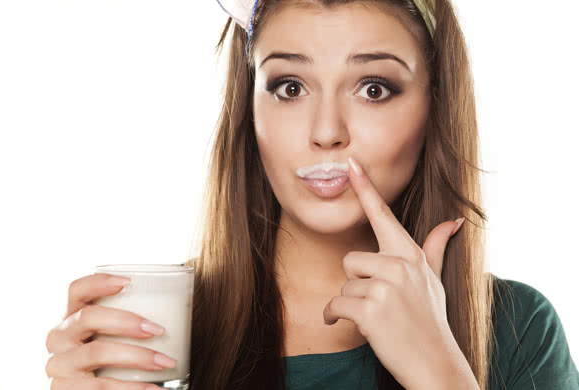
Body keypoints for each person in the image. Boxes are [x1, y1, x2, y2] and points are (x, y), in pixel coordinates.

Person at [44, 0, 579, 389]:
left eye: (374, 88)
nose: (326, 131)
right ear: (249, 109)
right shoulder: (160, 331)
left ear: (433, 106)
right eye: (290, 87)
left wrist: (439, 371)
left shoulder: (517, 328)